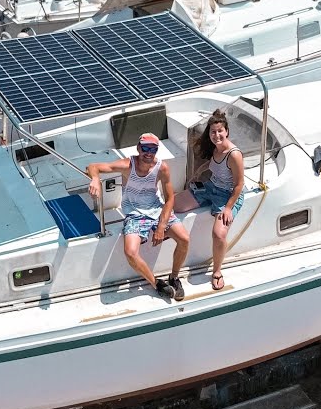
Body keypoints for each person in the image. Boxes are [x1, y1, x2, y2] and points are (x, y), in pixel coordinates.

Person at [87, 133, 189, 301]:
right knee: (130, 252)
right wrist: (95, 180)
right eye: (145, 148)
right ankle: (156, 283)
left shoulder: (162, 168)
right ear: (138, 148)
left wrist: (161, 226)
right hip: (135, 214)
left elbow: (170, 198)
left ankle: (174, 277)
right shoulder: (128, 165)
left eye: (153, 149)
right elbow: (93, 166)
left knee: (184, 239)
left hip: (157, 209)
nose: (148, 153)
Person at [174, 109, 244, 291]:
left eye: (220, 131)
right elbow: (212, 162)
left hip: (228, 195)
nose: (216, 135)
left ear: (227, 131)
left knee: (219, 234)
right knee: (175, 204)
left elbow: (239, 185)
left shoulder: (234, 154)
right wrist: (199, 172)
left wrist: (228, 208)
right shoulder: (216, 148)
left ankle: (217, 271)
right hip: (211, 187)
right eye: (213, 132)